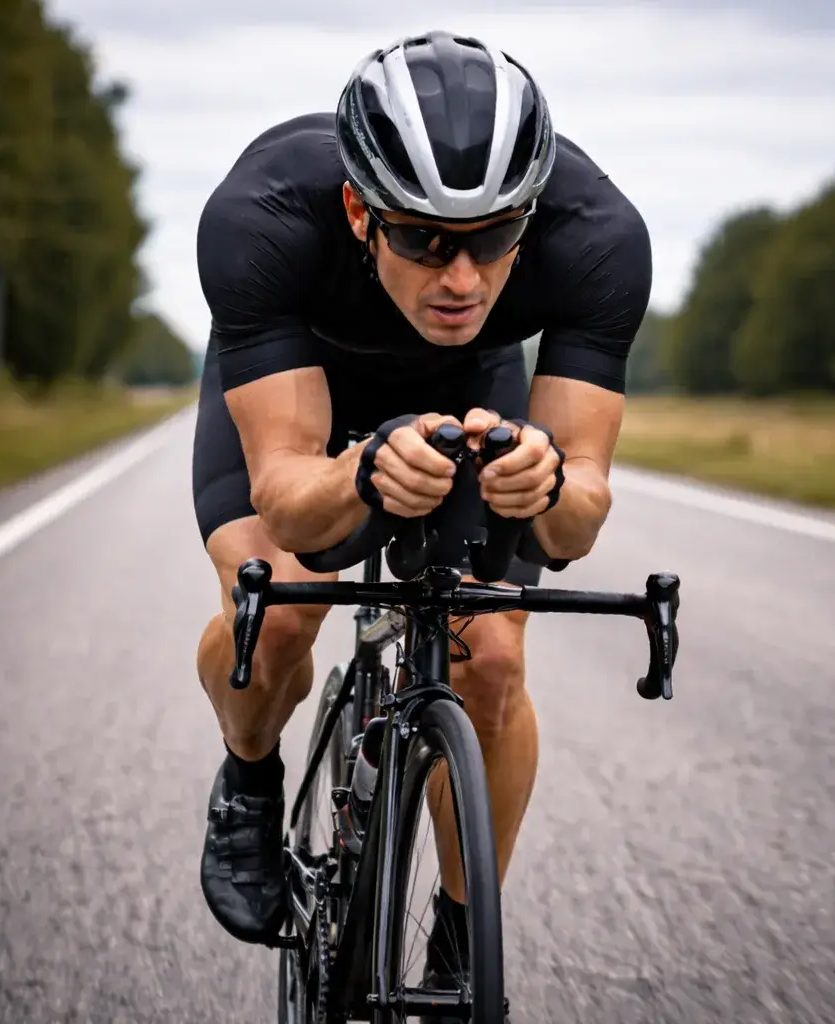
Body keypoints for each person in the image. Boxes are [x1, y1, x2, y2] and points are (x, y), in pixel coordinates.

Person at [191, 27, 651, 1007]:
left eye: (492, 239)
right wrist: (362, 474)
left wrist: (545, 483)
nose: (461, 278)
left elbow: (577, 524)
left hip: (473, 385)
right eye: (421, 238)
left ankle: (456, 931)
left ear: (530, 215)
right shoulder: (264, 216)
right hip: (298, 381)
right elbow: (284, 492)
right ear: (359, 209)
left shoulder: (596, 237)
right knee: (271, 613)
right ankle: (248, 772)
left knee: (494, 655)